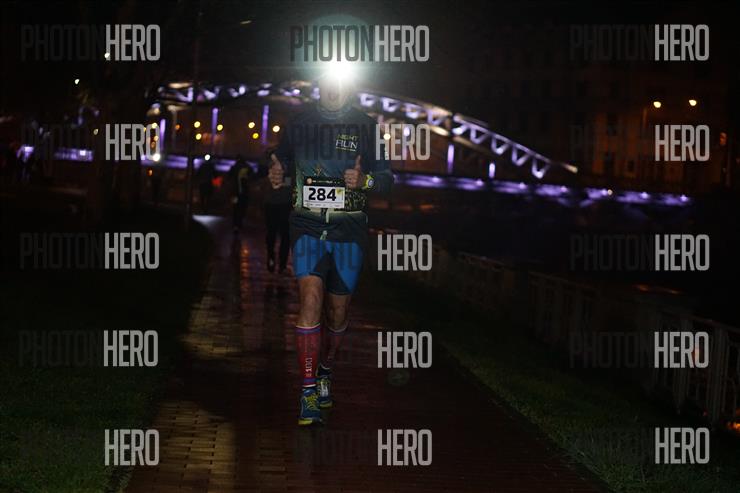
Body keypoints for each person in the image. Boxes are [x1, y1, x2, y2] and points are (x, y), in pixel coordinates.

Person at [271, 67, 393, 425]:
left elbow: (387, 179)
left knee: (338, 313)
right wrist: (276, 171)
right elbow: (280, 160)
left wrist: (364, 180)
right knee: (310, 299)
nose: (333, 88)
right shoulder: (299, 122)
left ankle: (326, 368)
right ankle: (308, 391)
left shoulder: (366, 126)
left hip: (349, 232)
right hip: (306, 226)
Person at [262, 159, 291, 273]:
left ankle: (277, 262)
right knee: (278, 236)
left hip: (279, 207)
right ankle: (276, 261)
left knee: (279, 236)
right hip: (277, 207)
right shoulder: (286, 177)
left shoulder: (287, 177)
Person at [228, 155, 253, 232]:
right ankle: (239, 222)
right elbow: (253, 176)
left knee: (235, 207)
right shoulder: (248, 167)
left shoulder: (234, 167)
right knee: (243, 207)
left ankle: (235, 224)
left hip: (235, 192)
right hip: (244, 193)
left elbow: (229, 176)